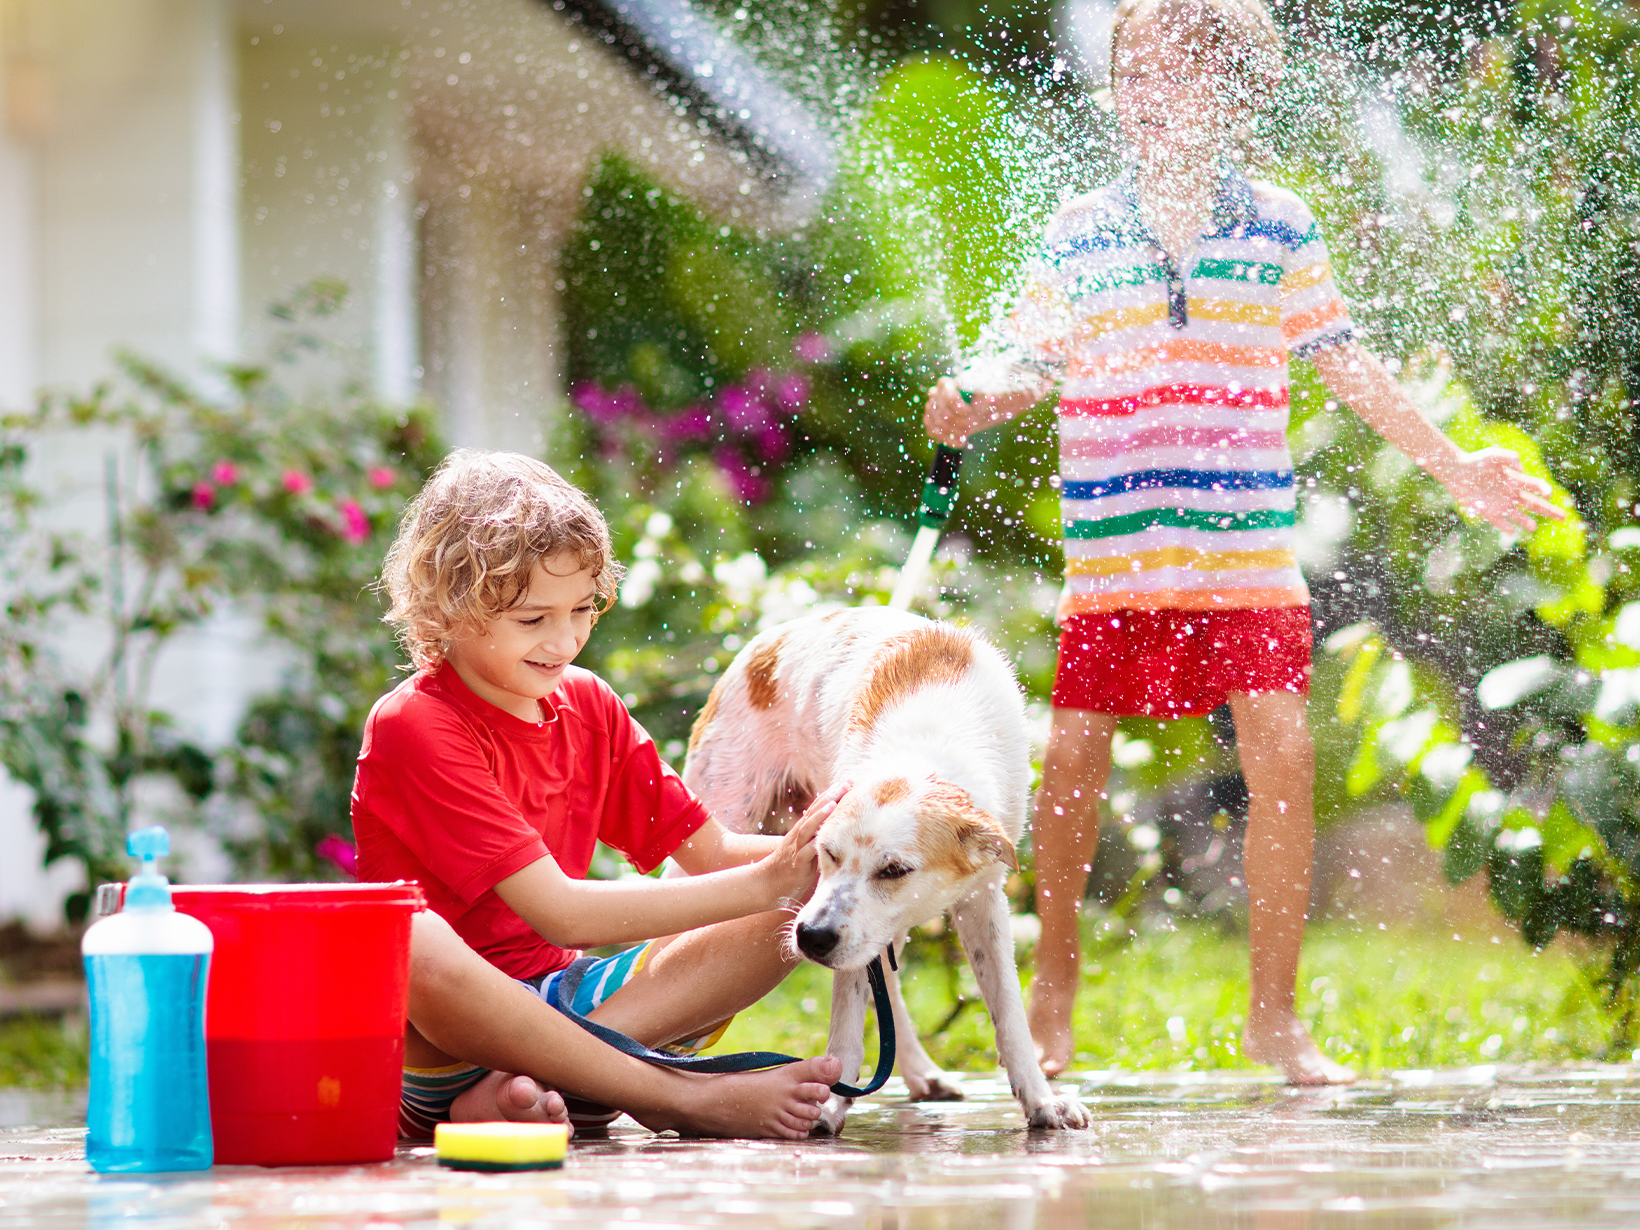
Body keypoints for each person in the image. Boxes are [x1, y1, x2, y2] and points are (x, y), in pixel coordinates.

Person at [924, 0, 1561, 1084]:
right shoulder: (1080, 225)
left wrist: (1456, 466)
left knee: (1283, 755)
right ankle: (1054, 996)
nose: (1151, 95)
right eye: (1134, 75)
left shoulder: (1277, 224)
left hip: (1244, 547)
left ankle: (1274, 1017)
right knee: (1072, 762)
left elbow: (1345, 364)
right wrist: (971, 401)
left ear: (1232, 92)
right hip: (1117, 554)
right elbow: (1027, 355)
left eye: (1177, 74)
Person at [352, 449, 843, 1139]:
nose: (566, 640)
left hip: (574, 1009)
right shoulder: (415, 724)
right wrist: (768, 879)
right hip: (432, 1045)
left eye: (582, 609)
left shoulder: (587, 703)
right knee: (411, 936)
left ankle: (543, 1089)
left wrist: (847, 854)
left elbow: (715, 855)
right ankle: (680, 1098)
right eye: (533, 619)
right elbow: (562, 915)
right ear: (449, 610)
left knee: (809, 904)